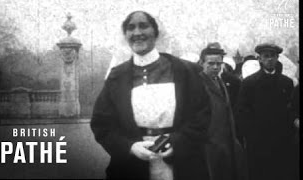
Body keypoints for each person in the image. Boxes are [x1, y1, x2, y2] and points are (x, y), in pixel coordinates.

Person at [91, 11, 211, 180]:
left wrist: (177, 142)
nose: (137, 33)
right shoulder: (116, 77)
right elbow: (102, 124)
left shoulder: (186, 71)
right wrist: (130, 147)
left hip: (182, 165)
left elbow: (202, 116)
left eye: (143, 26)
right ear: (125, 35)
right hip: (132, 169)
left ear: (156, 32)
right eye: (131, 28)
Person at [235, 43, 294, 180]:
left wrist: (288, 132)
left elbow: (290, 110)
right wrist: (250, 135)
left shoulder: (286, 83)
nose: (269, 59)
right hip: (258, 141)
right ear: (259, 59)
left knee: (280, 172)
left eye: (272, 56)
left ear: (277, 58)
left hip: (281, 140)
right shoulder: (249, 83)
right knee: (259, 173)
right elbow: (242, 111)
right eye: (266, 56)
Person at [198, 42, 247, 180]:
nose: (215, 67)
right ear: (202, 63)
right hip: (209, 145)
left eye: (218, 64)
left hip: (226, 142)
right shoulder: (197, 84)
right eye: (211, 63)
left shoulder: (220, 81)